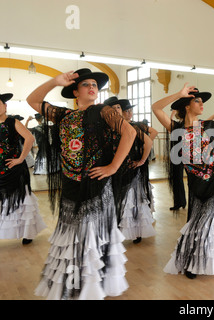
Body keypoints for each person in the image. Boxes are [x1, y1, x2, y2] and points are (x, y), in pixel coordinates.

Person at [27, 68, 136, 300]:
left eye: (95, 85)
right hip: (70, 184)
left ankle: (92, 286)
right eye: (86, 85)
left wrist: (114, 167)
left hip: (95, 184)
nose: (92, 88)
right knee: (73, 235)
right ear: (76, 91)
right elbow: (33, 100)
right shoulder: (64, 116)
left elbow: (129, 133)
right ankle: (74, 284)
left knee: (92, 236)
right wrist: (55, 81)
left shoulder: (103, 111)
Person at [153, 83, 214, 279]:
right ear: (187, 105)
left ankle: (195, 263)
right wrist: (179, 93)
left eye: (202, 101)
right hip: (194, 183)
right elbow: (156, 108)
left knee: (205, 223)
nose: (202, 104)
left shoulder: (210, 126)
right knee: (197, 222)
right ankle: (194, 260)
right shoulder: (176, 129)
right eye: (197, 101)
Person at [104, 96, 157, 244]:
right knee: (117, 200)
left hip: (129, 169)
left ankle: (135, 232)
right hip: (114, 170)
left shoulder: (132, 126)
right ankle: (116, 231)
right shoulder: (109, 128)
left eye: (119, 108)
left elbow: (150, 139)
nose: (118, 111)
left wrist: (141, 159)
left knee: (131, 201)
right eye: (114, 109)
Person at [0, 93, 46, 244]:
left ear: (5, 106)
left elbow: (30, 138)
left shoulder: (12, 122)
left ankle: (28, 233)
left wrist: (20, 158)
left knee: (22, 200)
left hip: (14, 168)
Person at [169, 110, 187, 211]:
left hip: (181, 155)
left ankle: (181, 202)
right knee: (177, 179)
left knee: (177, 179)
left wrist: (172, 114)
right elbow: (169, 125)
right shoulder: (179, 125)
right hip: (178, 154)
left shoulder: (182, 125)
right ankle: (181, 202)